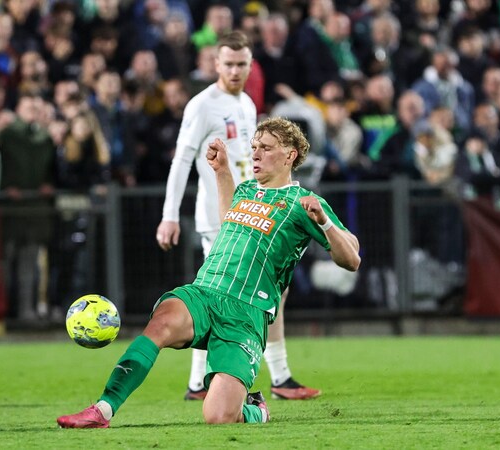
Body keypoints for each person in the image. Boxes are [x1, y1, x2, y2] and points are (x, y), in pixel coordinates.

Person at [58, 117, 361, 428]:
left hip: (246, 313)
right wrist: (222, 172)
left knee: (218, 417)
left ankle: (256, 410)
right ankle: (103, 410)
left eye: (266, 148)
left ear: (291, 154)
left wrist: (324, 222)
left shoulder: (303, 203)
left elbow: (351, 259)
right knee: (161, 323)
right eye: (254, 147)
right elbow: (231, 220)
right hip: (205, 291)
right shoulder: (245, 190)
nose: (255, 154)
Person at [155, 30, 321, 401]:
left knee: (270, 289)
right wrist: (169, 215)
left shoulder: (246, 103)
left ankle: (227, 381)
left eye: (242, 64)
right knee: (222, 296)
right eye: (228, 64)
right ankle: (260, 378)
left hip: (253, 214)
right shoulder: (202, 105)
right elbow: (181, 160)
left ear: (250, 66)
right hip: (222, 217)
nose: (235, 71)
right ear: (216, 64)